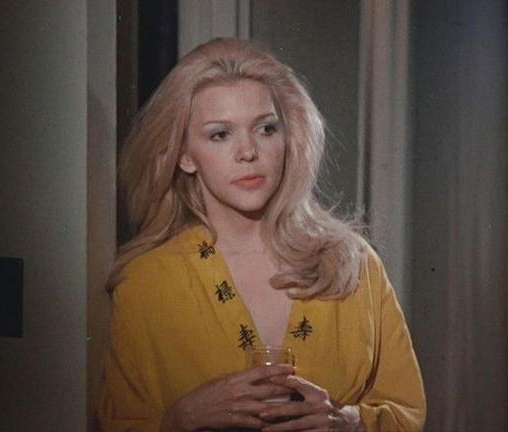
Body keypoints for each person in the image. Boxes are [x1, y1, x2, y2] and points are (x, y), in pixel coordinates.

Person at [98, 38, 426, 432]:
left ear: (289, 138)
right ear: (184, 156)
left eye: (266, 129)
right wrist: (180, 420)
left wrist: (350, 422)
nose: (248, 152)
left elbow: (407, 413)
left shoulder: (351, 265)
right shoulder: (146, 283)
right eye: (220, 135)